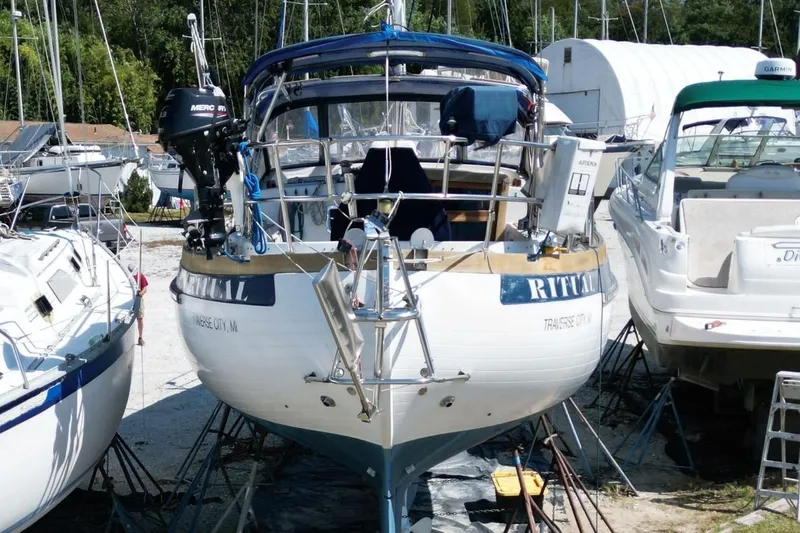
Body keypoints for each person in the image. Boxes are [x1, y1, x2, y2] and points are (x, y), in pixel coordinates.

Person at [128, 264, 148, 346]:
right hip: (129, 299)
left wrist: (139, 295)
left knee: (140, 318)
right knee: (128, 320)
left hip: (138, 299)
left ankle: (140, 337)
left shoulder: (140, 276)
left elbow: (145, 289)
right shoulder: (128, 277)